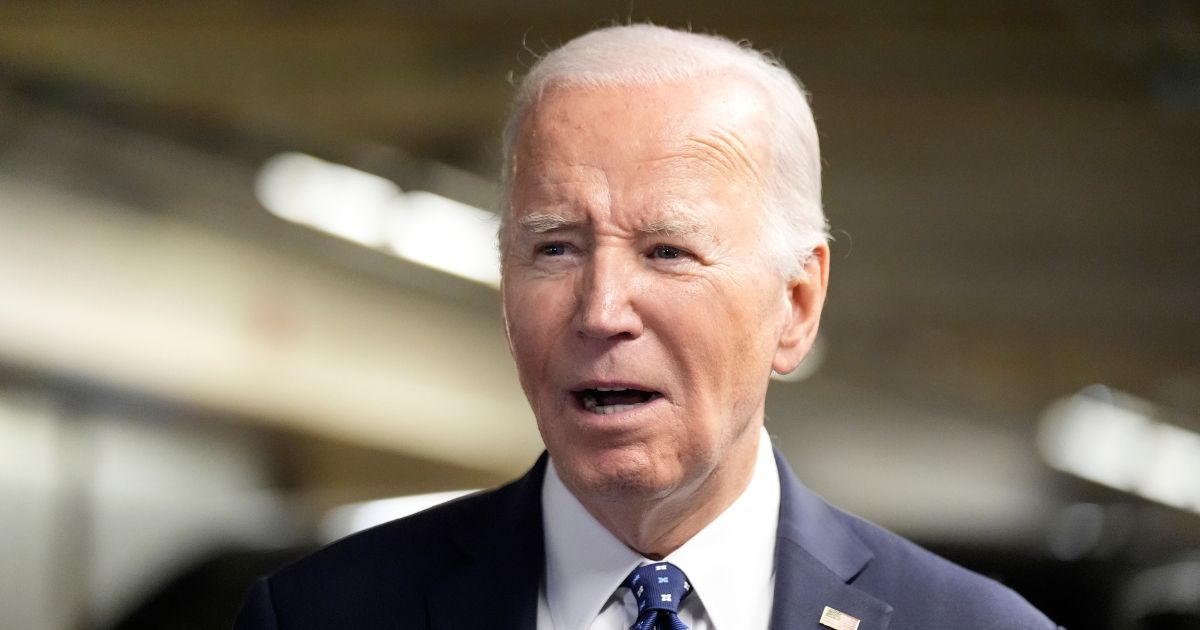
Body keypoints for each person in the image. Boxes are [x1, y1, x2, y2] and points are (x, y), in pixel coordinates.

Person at [234, 24, 1060, 630]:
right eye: (555, 248)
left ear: (796, 305)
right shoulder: (318, 616)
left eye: (667, 252)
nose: (600, 311)